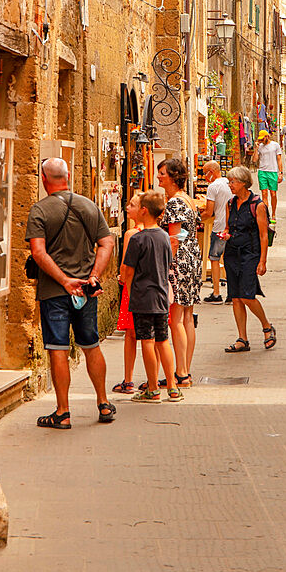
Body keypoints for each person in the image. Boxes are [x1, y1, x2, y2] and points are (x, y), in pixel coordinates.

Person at [26, 157, 116, 428]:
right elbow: (106, 242)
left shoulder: (39, 210)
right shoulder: (88, 205)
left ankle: (63, 412)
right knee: (91, 344)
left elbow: (38, 252)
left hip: (55, 291)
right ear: (68, 177)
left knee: (58, 349)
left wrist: (64, 280)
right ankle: (102, 402)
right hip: (85, 291)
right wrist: (94, 276)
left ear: (44, 179)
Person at [119, 191, 183, 403]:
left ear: (144, 210)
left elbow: (128, 270)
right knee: (163, 340)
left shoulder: (138, 239)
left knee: (147, 340)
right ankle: (173, 387)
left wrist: (129, 288)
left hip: (143, 296)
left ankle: (153, 387)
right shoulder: (165, 236)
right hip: (162, 295)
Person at [222, 166, 276, 353]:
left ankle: (267, 326)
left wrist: (263, 261)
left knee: (247, 296)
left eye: (233, 182)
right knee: (235, 297)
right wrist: (226, 234)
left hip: (250, 254)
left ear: (244, 183)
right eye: (229, 182)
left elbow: (263, 235)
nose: (230, 185)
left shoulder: (258, 205)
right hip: (231, 253)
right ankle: (242, 338)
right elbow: (229, 227)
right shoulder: (230, 203)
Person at [158, 157, 202, 386]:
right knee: (186, 316)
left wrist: (166, 265)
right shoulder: (188, 200)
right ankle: (185, 370)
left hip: (180, 261)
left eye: (163, 173)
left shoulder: (175, 202)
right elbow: (186, 231)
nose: (158, 177)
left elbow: (174, 239)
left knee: (175, 318)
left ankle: (181, 373)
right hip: (193, 257)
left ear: (174, 176)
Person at [112, 193, 145, 394]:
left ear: (142, 210)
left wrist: (121, 278)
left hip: (132, 289)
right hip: (150, 290)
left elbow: (126, 265)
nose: (127, 208)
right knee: (152, 337)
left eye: (131, 204)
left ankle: (128, 379)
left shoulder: (131, 234)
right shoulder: (157, 232)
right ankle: (152, 380)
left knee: (131, 336)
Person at [201, 161, 232, 303]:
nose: (204, 176)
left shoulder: (213, 187)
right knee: (229, 260)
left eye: (205, 172)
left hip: (219, 227)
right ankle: (232, 293)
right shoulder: (229, 183)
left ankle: (216, 292)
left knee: (214, 258)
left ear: (211, 172)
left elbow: (208, 212)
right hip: (231, 227)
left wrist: (196, 218)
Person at [253, 129, 283, 222]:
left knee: (273, 194)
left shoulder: (275, 145)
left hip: (273, 171)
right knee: (264, 193)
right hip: (262, 171)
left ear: (267, 137)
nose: (261, 141)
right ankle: (266, 214)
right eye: (260, 139)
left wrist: (280, 173)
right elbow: (254, 160)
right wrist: (256, 148)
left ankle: (273, 213)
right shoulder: (260, 147)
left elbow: (279, 159)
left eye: (262, 139)